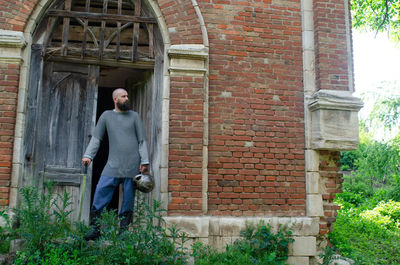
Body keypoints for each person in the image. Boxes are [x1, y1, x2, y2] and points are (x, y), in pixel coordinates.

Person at [82, 88, 150, 240]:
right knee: (100, 194)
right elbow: (97, 138)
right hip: (112, 165)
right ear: (115, 99)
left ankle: (124, 232)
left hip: (132, 166)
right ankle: (95, 230)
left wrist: (144, 161)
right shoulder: (106, 116)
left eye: (127, 96)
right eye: (123, 96)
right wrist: (88, 155)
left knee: (128, 201)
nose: (127, 98)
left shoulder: (134, 116)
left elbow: (142, 140)